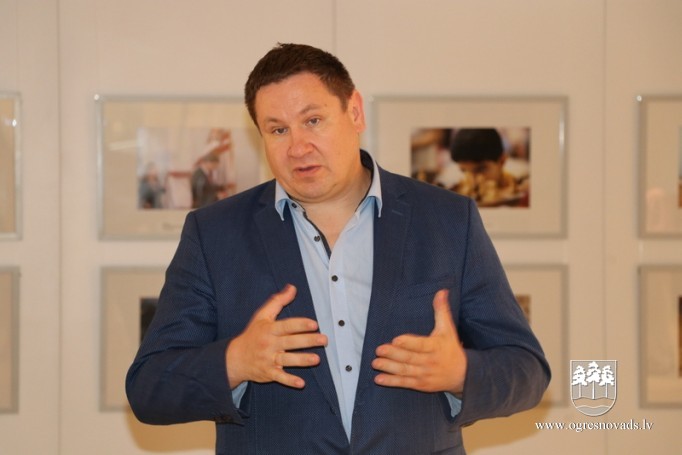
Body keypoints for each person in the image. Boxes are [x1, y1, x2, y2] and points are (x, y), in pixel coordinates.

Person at [126, 43, 550, 454]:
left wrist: (460, 373)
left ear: (355, 111)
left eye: (313, 120)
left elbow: (527, 370)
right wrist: (234, 362)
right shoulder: (214, 233)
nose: (298, 147)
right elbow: (148, 388)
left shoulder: (448, 219)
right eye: (278, 130)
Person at [449, 128, 528, 207]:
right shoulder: (455, 195)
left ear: (502, 161)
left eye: (481, 169)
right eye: (464, 170)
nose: (474, 182)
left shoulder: (522, 192)